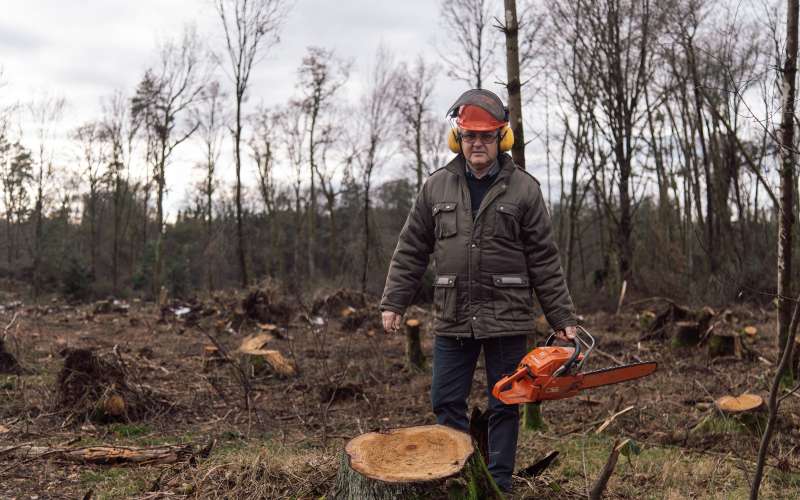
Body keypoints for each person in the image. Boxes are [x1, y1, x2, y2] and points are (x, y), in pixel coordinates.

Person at [379, 88, 577, 492]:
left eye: (486, 136)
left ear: (501, 139)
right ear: (458, 138)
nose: (477, 144)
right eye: (470, 136)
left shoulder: (524, 189)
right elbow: (412, 247)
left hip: (507, 316)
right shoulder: (437, 187)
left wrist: (562, 320)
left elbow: (544, 258)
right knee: (445, 400)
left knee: (506, 399)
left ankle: (499, 484)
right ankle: (457, 477)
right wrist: (394, 302)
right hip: (453, 314)